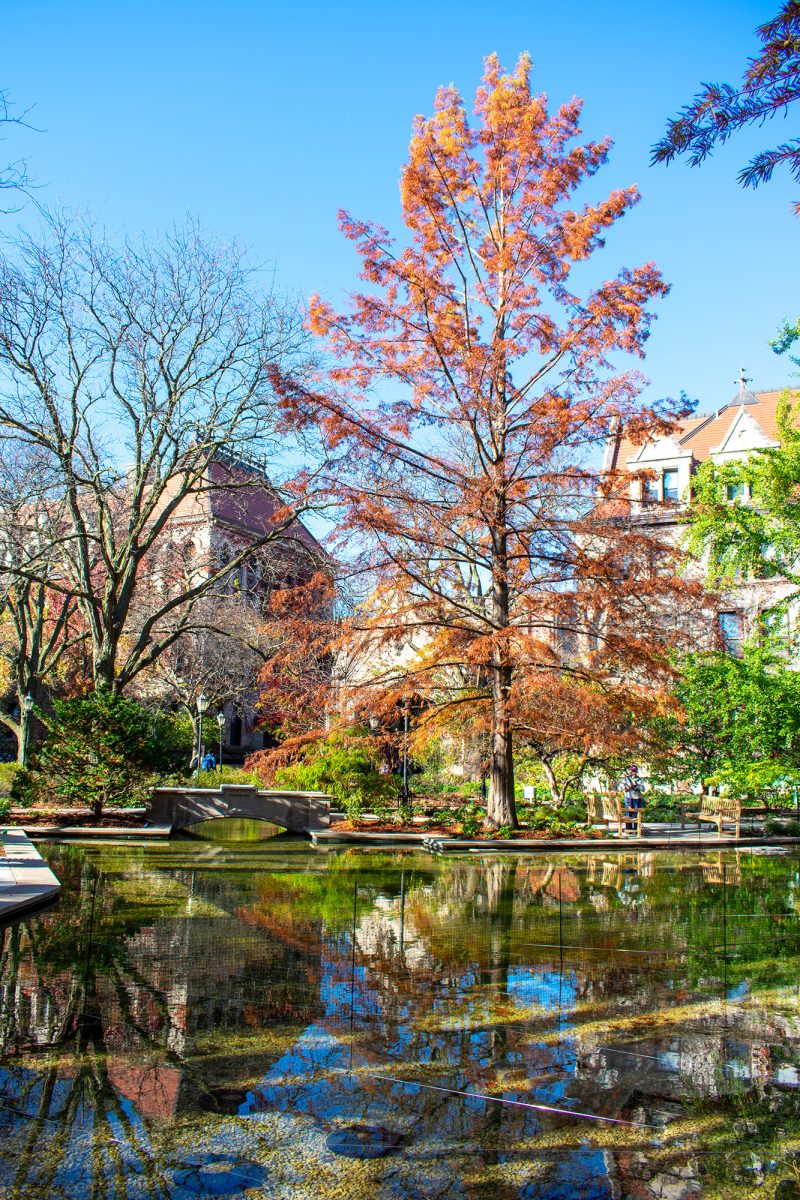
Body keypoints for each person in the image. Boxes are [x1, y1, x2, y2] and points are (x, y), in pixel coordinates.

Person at [622, 764, 644, 833]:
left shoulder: (639, 779)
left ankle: (636, 829)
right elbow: (620, 787)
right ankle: (628, 829)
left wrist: (636, 785)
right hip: (628, 797)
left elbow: (643, 789)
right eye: (632, 771)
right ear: (630, 771)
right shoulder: (626, 779)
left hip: (637, 798)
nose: (633, 773)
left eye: (635, 771)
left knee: (636, 813)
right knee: (628, 813)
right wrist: (626, 787)